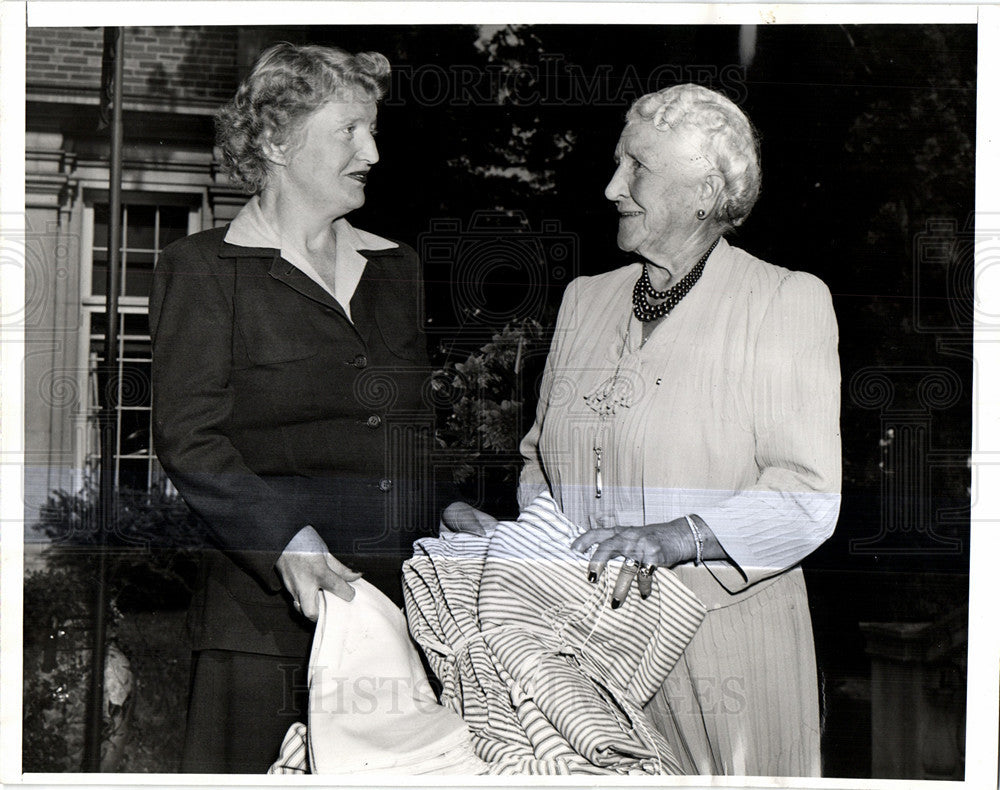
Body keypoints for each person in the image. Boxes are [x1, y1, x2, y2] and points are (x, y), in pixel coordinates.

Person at [150, 42, 478, 773]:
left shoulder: (395, 268)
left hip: (395, 617)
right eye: (349, 130)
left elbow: (409, 432)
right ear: (275, 140)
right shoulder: (203, 270)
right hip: (264, 627)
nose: (372, 151)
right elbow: (189, 439)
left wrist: (449, 505)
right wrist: (283, 540)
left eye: (373, 129)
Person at [517, 83, 842, 776]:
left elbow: (808, 496)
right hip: (591, 648)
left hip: (725, 651)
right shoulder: (585, 300)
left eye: (636, 168)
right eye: (616, 164)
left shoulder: (783, 302)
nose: (611, 187)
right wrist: (529, 543)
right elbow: (541, 463)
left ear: (704, 192)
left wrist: (674, 539)